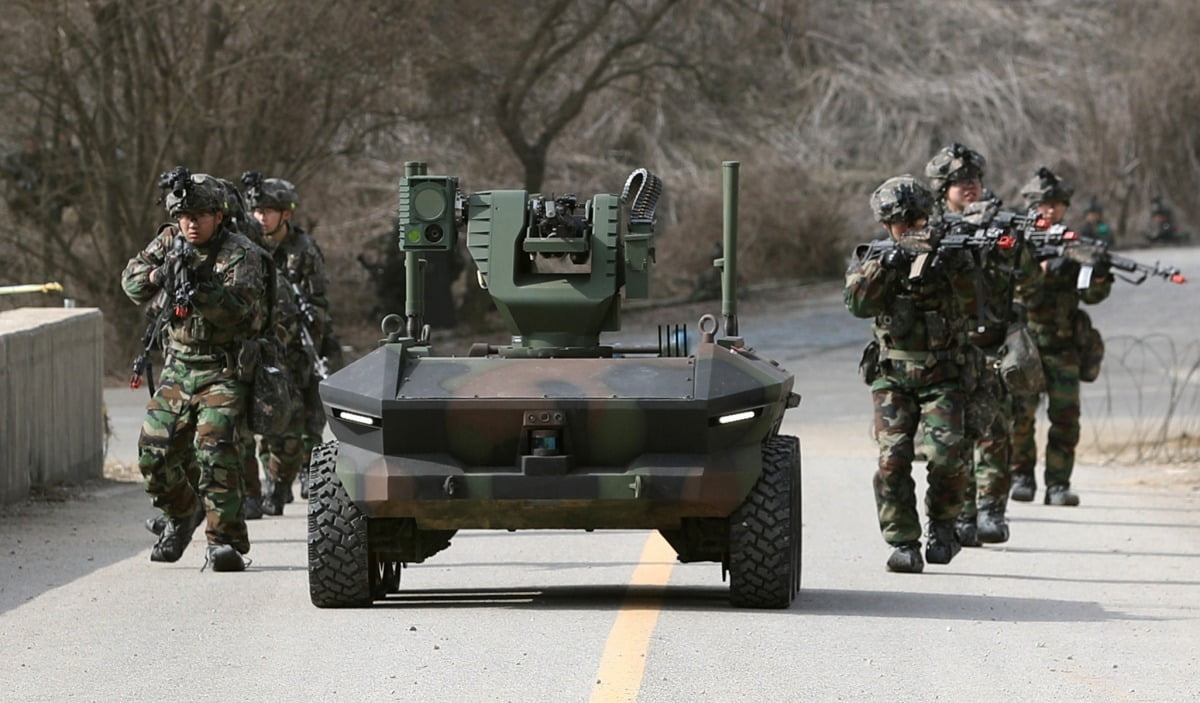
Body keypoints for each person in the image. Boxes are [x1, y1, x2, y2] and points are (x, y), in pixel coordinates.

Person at [121, 169, 266, 571]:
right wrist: (158, 275)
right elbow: (131, 282)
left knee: (216, 448)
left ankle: (226, 542)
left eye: (199, 215)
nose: (190, 223)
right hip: (178, 366)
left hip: (223, 368)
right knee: (154, 453)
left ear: (218, 216)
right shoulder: (169, 241)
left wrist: (201, 286)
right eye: (184, 215)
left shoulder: (239, 252)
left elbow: (240, 313)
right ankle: (183, 514)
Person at [845, 175, 979, 573]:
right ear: (887, 225)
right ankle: (903, 541)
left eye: (916, 220)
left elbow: (977, 303)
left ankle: (943, 525)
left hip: (944, 374)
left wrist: (953, 264)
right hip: (894, 377)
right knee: (893, 460)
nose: (909, 228)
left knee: (947, 456)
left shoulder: (952, 250)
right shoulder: (873, 255)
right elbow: (856, 303)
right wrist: (887, 264)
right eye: (900, 222)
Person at [1010, 167, 1113, 506]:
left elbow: (1093, 296)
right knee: (1020, 416)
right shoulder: (1016, 243)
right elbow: (1009, 288)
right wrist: (1036, 269)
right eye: (1042, 204)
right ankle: (1021, 474)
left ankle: (1058, 483)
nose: (1049, 211)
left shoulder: (1073, 246)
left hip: (1063, 344)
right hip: (1024, 345)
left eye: (1056, 204)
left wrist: (1097, 273)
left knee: (1065, 417)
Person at [242, 171, 329, 513]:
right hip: (260, 345)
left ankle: (293, 477)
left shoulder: (303, 250)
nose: (261, 217)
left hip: (297, 348)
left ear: (286, 214)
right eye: (257, 211)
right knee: (265, 419)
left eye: (268, 210)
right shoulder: (247, 245)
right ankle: (272, 485)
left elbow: (320, 303)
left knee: (301, 418)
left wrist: (307, 331)